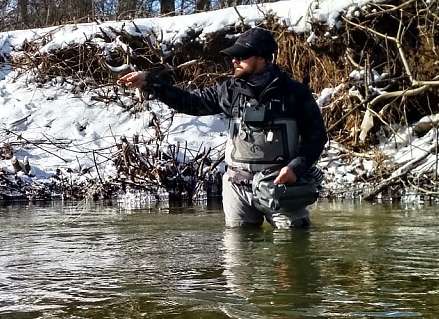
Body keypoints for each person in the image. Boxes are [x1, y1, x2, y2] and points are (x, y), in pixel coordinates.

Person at [118, 27, 327, 228]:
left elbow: (316, 138)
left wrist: (296, 168)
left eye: (242, 56)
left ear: (262, 58)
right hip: (237, 187)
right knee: (237, 261)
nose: (234, 60)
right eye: (234, 56)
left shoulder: (296, 93)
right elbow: (188, 102)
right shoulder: (228, 92)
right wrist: (150, 82)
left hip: (281, 187)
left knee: (292, 252)